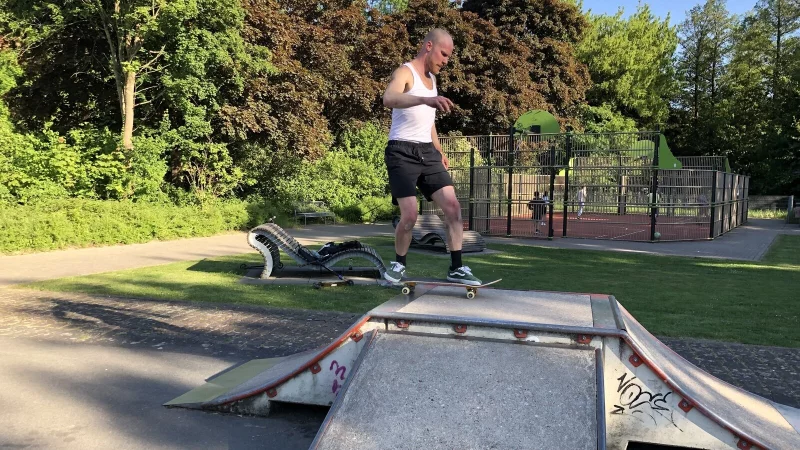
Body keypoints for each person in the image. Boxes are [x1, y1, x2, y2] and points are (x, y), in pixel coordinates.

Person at [381, 28, 481, 286]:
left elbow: (430, 122)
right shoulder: (405, 72)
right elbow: (389, 98)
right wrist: (426, 99)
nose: (446, 61)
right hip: (401, 151)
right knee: (410, 216)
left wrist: (438, 149)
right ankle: (398, 265)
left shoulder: (432, 81)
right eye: (443, 54)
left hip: (427, 151)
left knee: (453, 208)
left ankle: (456, 267)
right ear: (428, 46)